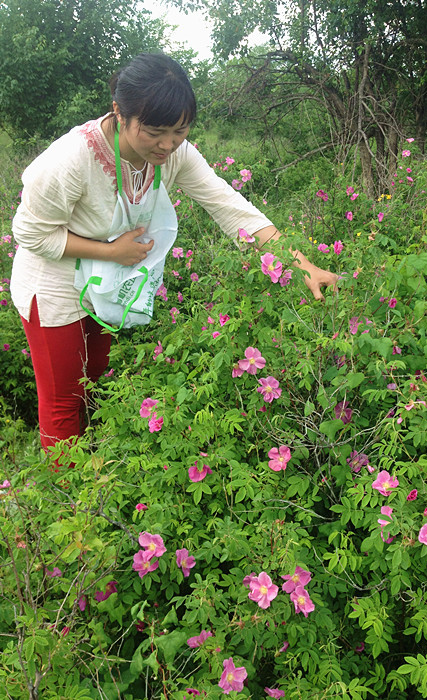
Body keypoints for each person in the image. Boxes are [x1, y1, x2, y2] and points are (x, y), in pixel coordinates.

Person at [11, 52, 337, 455]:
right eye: (154, 131)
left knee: (93, 379)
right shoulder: (72, 160)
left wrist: (301, 265)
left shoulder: (174, 153)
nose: (167, 145)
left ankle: (91, 469)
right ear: (119, 112)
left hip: (101, 283)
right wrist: (112, 252)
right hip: (53, 283)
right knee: (63, 399)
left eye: (179, 131)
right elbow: (29, 233)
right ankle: (70, 503)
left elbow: (228, 206)